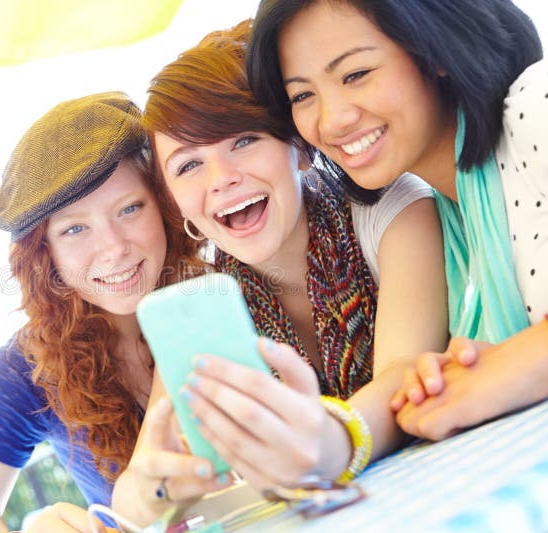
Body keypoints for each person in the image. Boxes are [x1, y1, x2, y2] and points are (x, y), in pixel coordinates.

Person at [111, 20, 448, 526]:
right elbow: (134, 490)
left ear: (301, 146)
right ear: (176, 205)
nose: (223, 180)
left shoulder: (393, 210)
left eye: (244, 140)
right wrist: (156, 490)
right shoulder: (202, 303)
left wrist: (328, 441)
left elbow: (405, 374)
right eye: (188, 166)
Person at [247, 0, 548, 441]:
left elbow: (501, 375)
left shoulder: (535, 108)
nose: (333, 121)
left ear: (436, 52)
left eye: (356, 74)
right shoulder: (452, 220)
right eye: (303, 96)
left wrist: (505, 370)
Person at [0, 92, 205, 532]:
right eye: (75, 229)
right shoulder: (29, 368)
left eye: (129, 208)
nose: (113, 248)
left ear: (163, 205)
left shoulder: (223, 292)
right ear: (44, 254)